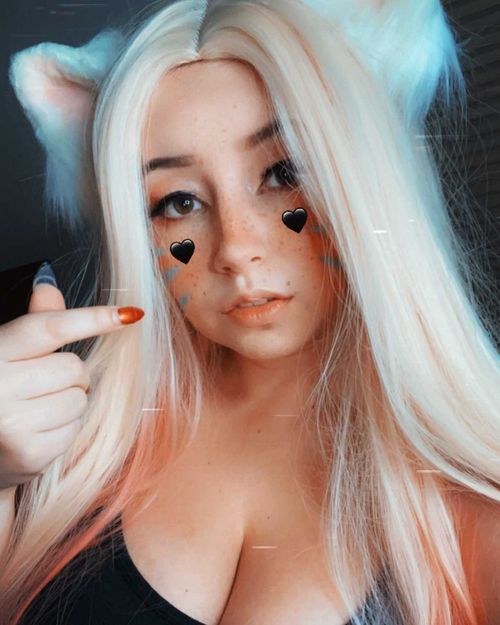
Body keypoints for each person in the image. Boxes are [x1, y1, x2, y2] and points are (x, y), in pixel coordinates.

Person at [1, 0, 499, 624]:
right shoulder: (71, 449)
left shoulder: (470, 511)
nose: (236, 248)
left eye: (284, 172)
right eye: (178, 202)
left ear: (369, 178)